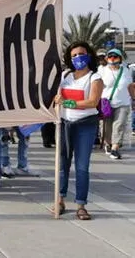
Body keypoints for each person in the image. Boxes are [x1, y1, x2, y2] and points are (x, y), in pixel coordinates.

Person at [54, 41, 103, 220]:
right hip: (65, 124)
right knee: (62, 165)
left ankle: (81, 204)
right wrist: (57, 99)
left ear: (88, 56)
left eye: (81, 54)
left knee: (82, 167)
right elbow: (55, 97)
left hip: (85, 125)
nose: (77, 58)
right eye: (74, 55)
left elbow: (92, 102)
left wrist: (67, 102)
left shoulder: (94, 78)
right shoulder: (65, 76)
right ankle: (59, 199)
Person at [98, 48, 134, 159]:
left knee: (119, 125)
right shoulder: (102, 70)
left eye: (115, 56)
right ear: (107, 58)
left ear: (120, 58)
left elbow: (130, 86)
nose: (112, 59)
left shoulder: (126, 71)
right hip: (106, 103)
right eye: (110, 56)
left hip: (123, 102)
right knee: (107, 126)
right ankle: (108, 144)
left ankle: (115, 148)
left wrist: (133, 99)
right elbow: (97, 86)